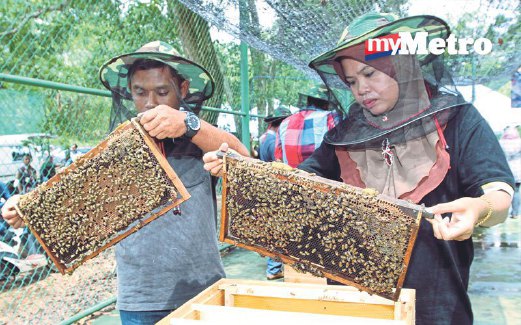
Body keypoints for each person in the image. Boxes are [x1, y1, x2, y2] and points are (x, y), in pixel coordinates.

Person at [203, 13, 514, 325]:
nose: (361, 89)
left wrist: (479, 207)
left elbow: (499, 193)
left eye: (371, 74)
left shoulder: (458, 120)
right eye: (352, 81)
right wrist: (243, 172)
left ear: (402, 65)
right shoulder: (344, 135)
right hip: (355, 307)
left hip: (435, 307)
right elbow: (296, 185)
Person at [3, 41, 249, 324]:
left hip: (202, 287)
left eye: (162, 91)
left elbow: (242, 155)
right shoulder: (116, 153)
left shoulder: (200, 139)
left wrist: (187, 124)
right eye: (140, 92)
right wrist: (27, 208)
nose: (150, 103)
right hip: (141, 297)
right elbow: (72, 195)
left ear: (182, 90)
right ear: (129, 92)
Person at [259, 105, 291, 280]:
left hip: (267, 188)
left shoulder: (264, 138)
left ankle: (274, 268)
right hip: (274, 188)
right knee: (277, 230)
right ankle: (273, 269)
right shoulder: (273, 142)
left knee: (274, 229)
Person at [274, 85, 342, 167]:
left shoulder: (285, 123)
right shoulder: (331, 117)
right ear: (326, 104)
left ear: (308, 101)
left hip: (290, 177)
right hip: (320, 178)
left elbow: (278, 158)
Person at [499, 125, 521, 218]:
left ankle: (502, 214)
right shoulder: (519, 142)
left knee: (504, 191)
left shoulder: (501, 143)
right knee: (516, 191)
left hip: (504, 169)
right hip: (517, 170)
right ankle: (515, 213)